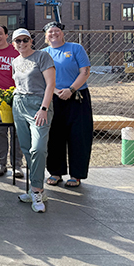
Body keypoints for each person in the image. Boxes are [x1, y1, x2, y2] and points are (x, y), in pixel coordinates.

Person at [42, 21, 93, 188]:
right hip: (53, 97)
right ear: (46, 35)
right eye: (50, 32)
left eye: (57, 31)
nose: (54, 34)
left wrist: (71, 89)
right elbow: (41, 78)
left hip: (77, 97)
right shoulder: (43, 53)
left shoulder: (75, 48)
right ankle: (56, 173)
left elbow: (84, 72)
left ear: (62, 33)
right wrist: (56, 91)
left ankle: (76, 175)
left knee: (78, 136)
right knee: (54, 136)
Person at [11, 28, 56, 213]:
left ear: (31, 40)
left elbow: (51, 84)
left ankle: (37, 191)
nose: (21, 43)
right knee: (26, 148)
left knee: (38, 148)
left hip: (38, 105)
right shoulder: (15, 61)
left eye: (25, 40)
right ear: (13, 43)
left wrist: (44, 109)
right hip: (19, 104)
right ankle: (36, 189)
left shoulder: (42, 57)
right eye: (17, 41)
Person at [0, 24, 23, 178]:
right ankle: (0, 163)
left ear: (7, 35)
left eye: (0, 34)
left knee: (16, 131)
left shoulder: (16, 51)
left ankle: (17, 165)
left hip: (14, 95)